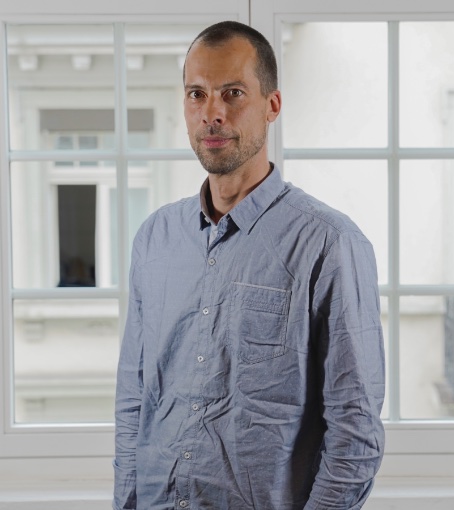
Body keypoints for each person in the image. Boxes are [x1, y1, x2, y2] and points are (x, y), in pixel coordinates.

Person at [113, 20, 385, 510]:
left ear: (272, 105)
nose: (211, 113)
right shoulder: (155, 239)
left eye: (232, 93)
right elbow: (135, 401)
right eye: (196, 95)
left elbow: (355, 429)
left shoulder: (329, 243)